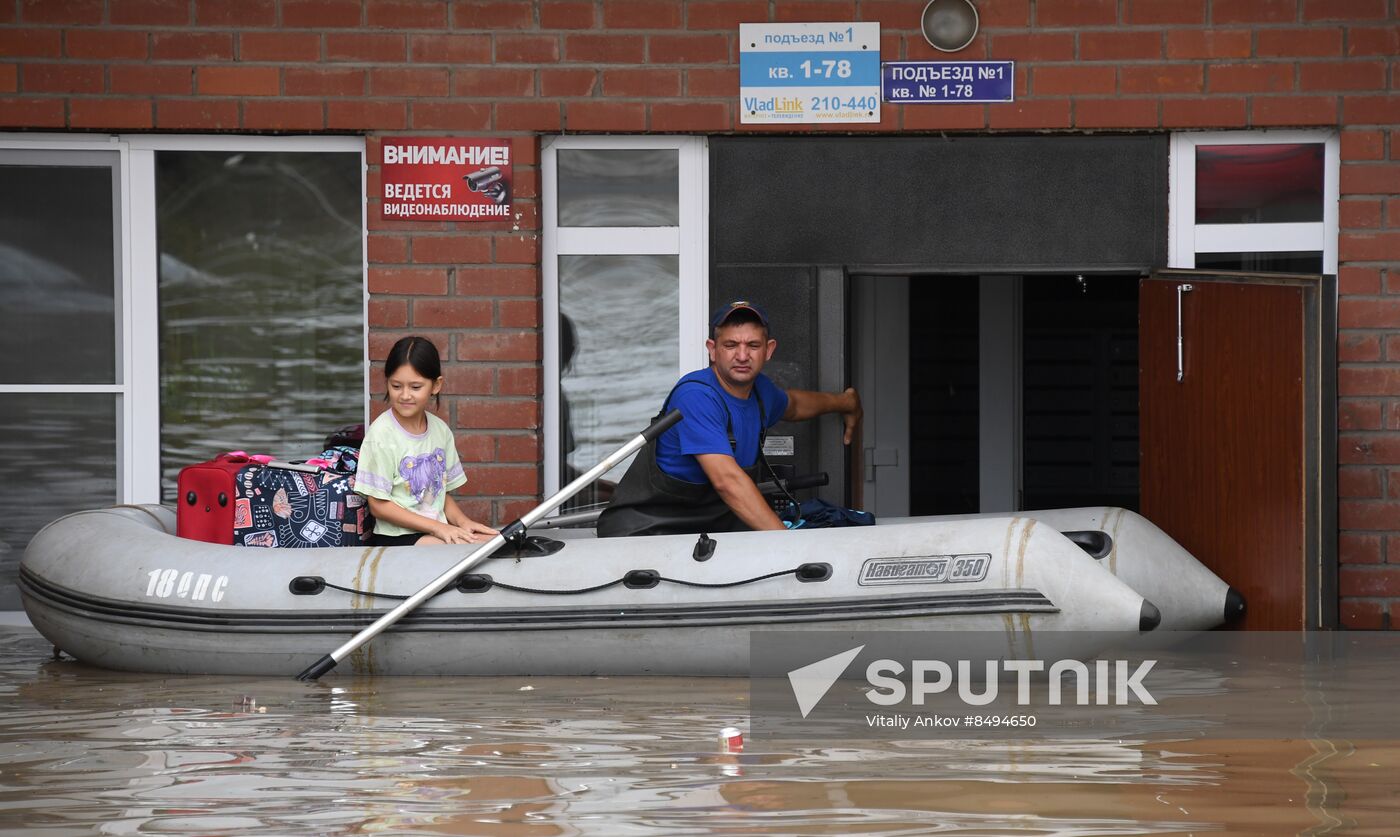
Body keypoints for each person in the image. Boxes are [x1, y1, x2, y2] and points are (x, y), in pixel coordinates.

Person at [597, 300, 862, 538]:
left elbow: (794, 405)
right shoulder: (696, 396)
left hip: (708, 530)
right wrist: (789, 548)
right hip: (647, 533)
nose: (743, 355)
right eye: (731, 345)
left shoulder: (761, 393)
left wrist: (844, 402)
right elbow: (728, 481)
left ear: (769, 350)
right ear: (712, 349)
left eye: (753, 345)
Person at [354, 336, 498, 546]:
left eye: (415, 387)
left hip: (434, 532)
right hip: (396, 538)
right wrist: (439, 528)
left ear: (436, 385)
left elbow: (439, 494)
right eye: (396, 386)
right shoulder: (381, 434)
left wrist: (462, 522)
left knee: (497, 543)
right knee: (471, 550)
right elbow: (377, 505)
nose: (404, 395)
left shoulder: (440, 431)